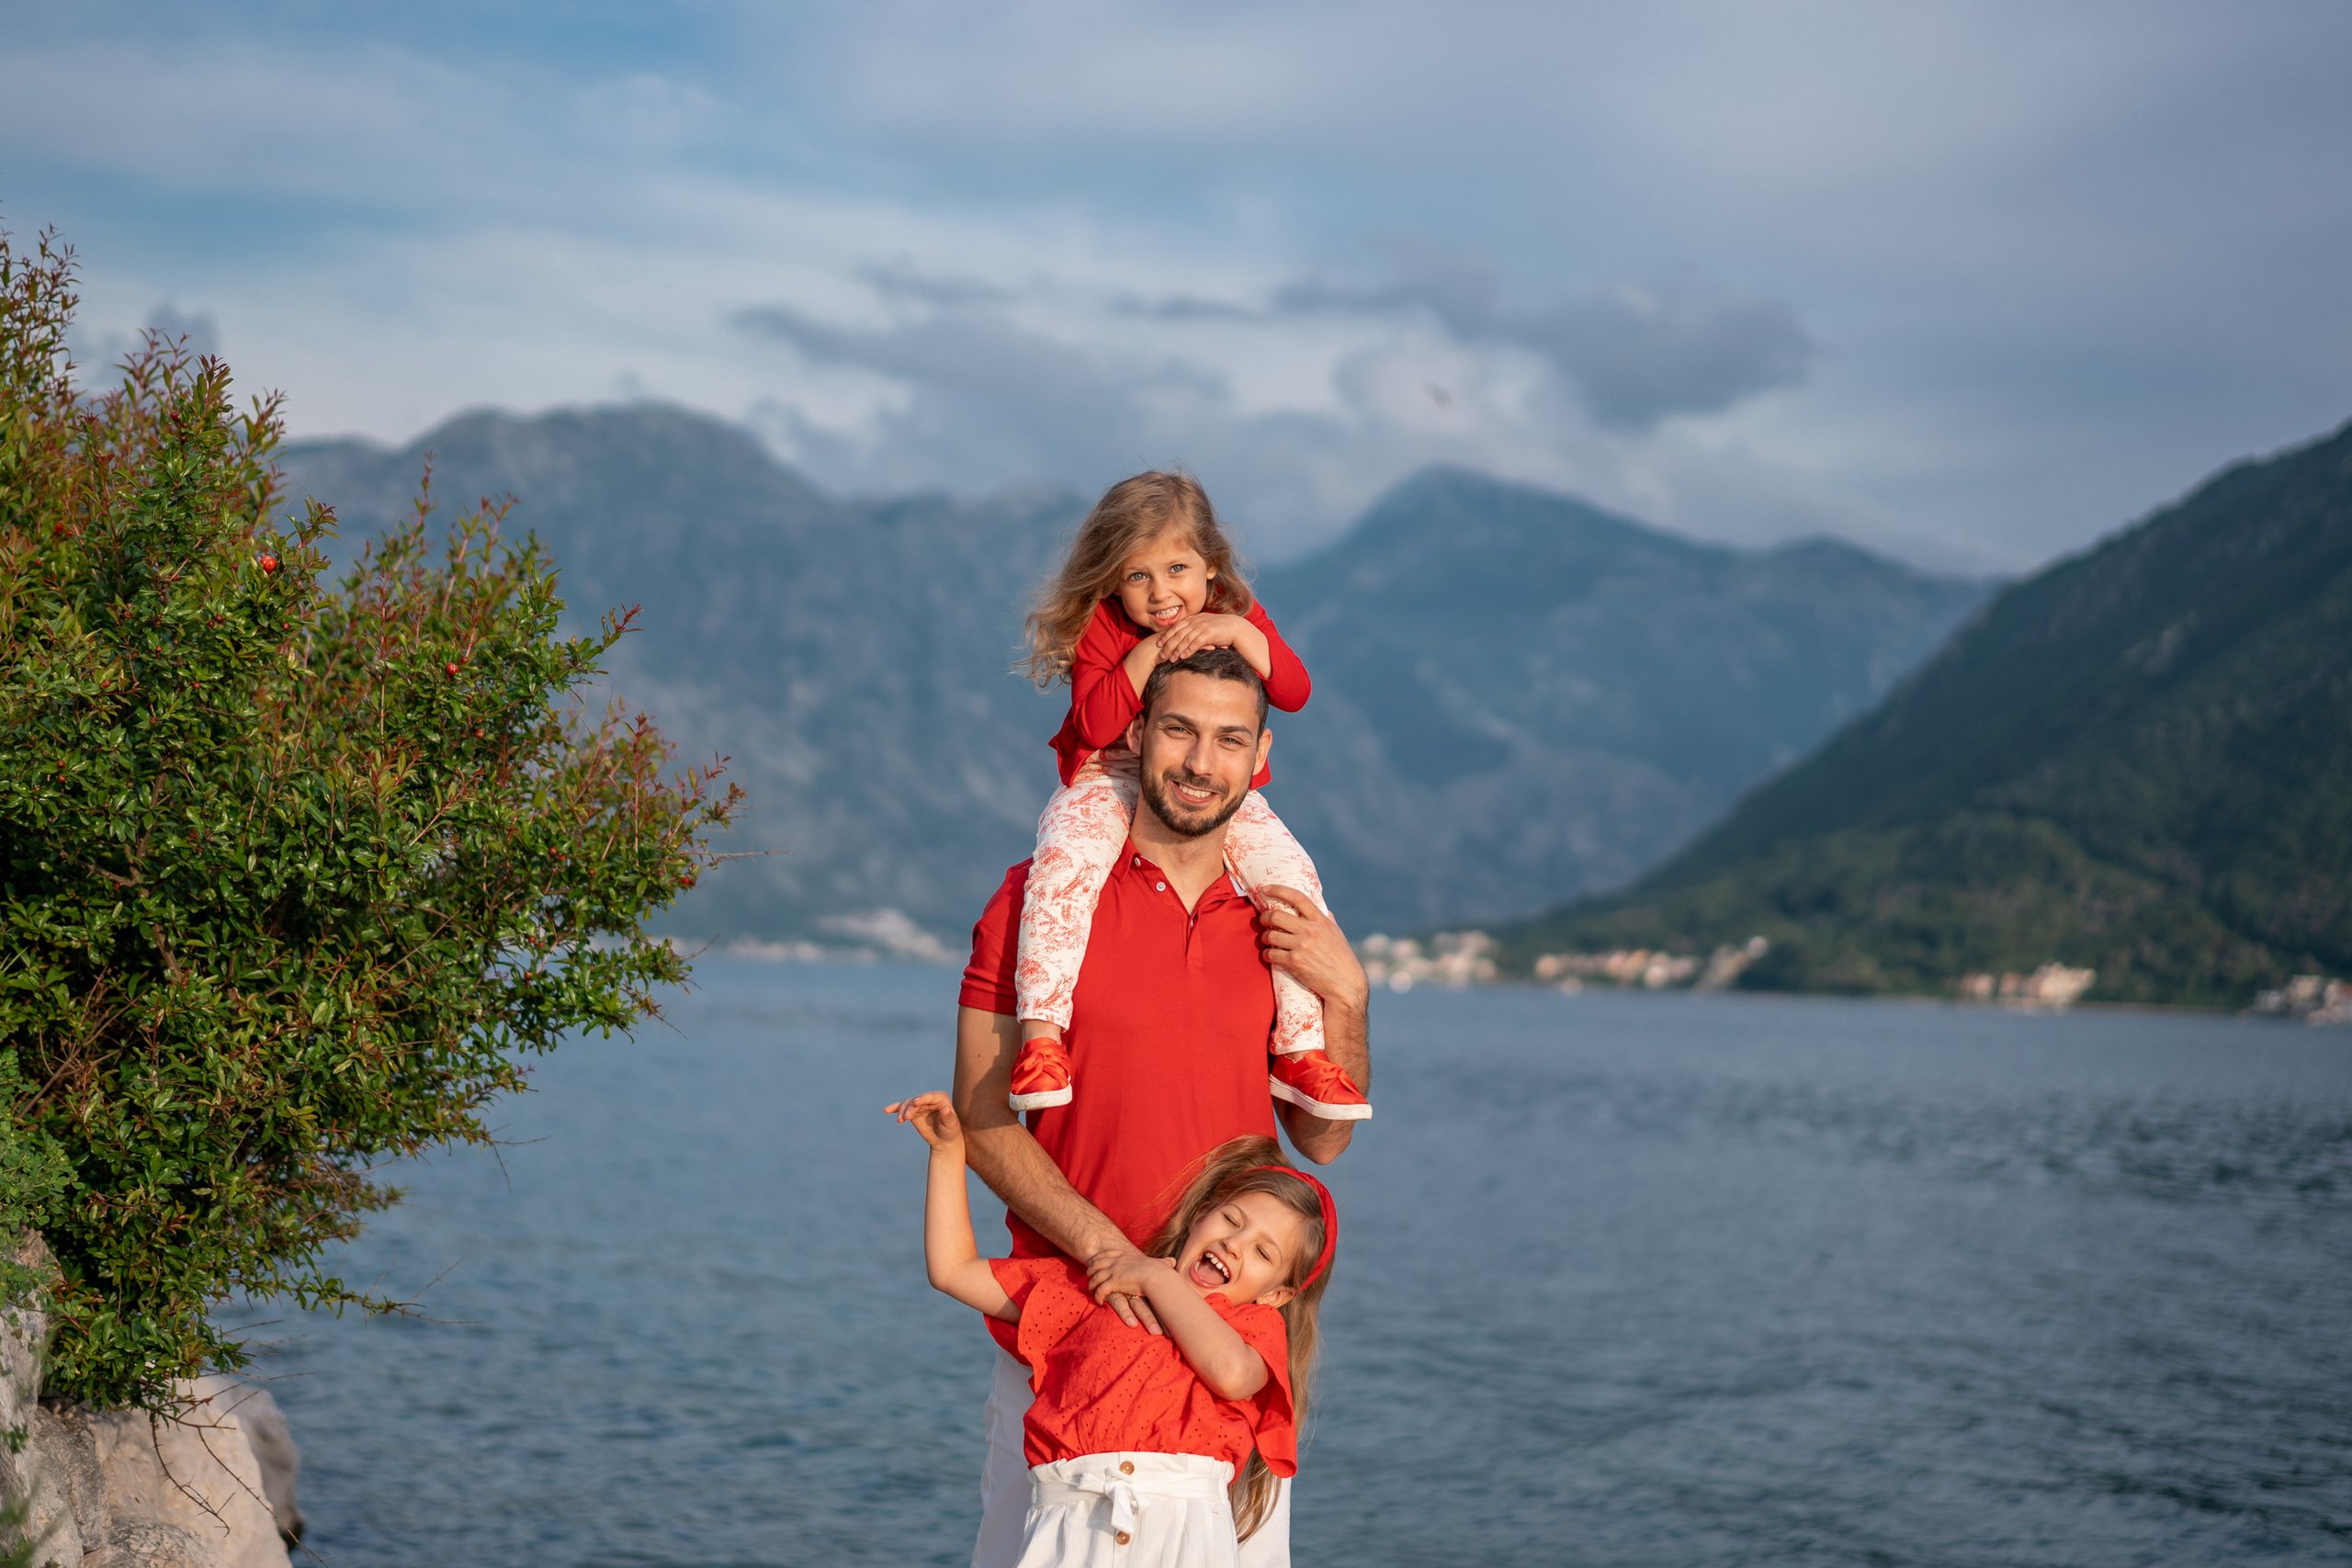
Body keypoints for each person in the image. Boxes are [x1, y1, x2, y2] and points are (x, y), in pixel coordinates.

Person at [955, 646, 1371, 1568]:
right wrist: (1110, 1253)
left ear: (1258, 758)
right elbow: (983, 1118)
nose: (1197, 760)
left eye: (1228, 739)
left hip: (1226, 1354)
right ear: (1137, 733)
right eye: (1178, 729)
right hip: (1069, 1336)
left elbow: (1323, 1140)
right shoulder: (1036, 899)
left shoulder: (1283, 917)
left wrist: (1347, 997)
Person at [1011, 471, 1369, 1122]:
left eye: (1177, 568)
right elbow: (1093, 724)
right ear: (1114, 581)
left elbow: (1294, 690)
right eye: (1138, 575)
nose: (1160, 591)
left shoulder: (1232, 611)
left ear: (1211, 567)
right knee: (1063, 869)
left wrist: (1238, 634)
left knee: (1291, 882)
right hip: (1110, 775)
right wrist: (1147, 655)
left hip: (1211, 787)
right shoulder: (1106, 627)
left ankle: (1301, 1050)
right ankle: (1041, 1042)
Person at [889, 1098, 1337, 1568]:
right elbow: (953, 1271)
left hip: (1183, 1537)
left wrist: (1156, 1277)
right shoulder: (1095, 1291)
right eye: (1231, 1219)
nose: (1234, 1244)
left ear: (1277, 1296)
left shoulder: (1250, 1328)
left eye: (1264, 1253)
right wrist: (946, 1152)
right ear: (1201, 1213)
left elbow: (1231, 1374)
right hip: (1069, 1527)